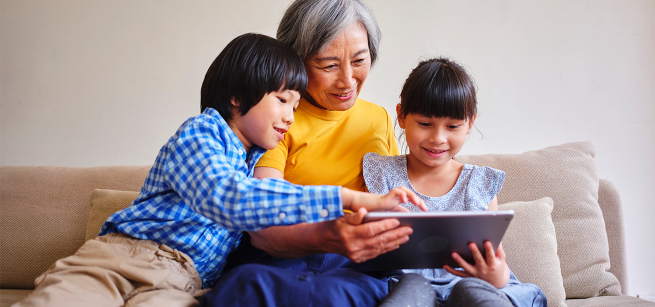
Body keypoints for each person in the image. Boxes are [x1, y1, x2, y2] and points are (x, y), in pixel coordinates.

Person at [13, 33, 425, 307]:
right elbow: (230, 200)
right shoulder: (201, 134)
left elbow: (266, 226)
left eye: (296, 107)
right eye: (283, 101)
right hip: (124, 257)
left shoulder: (252, 164)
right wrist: (351, 197)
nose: (289, 118)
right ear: (236, 96)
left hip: (183, 284)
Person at [200, 0, 426, 306]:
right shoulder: (274, 120)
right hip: (281, 260)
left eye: (359, 60)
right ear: (296, 61)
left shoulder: (380, 119)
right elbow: (262, 226)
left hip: (356, 268)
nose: (348, 80)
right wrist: (332, 237)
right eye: (329, 65)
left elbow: (398, 202)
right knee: (249, 284)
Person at [363, 58, 547, 307]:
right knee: (413, 287)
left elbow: (499, 267)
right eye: (425, 124)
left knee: (470, 289)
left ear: (470, 123)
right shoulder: (381, 175)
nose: (438, 138)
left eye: (452, 126)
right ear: (402, 116)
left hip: (470, 285)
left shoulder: (479, 183)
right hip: (405, 285)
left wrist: (494, 275)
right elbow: (364, 246)